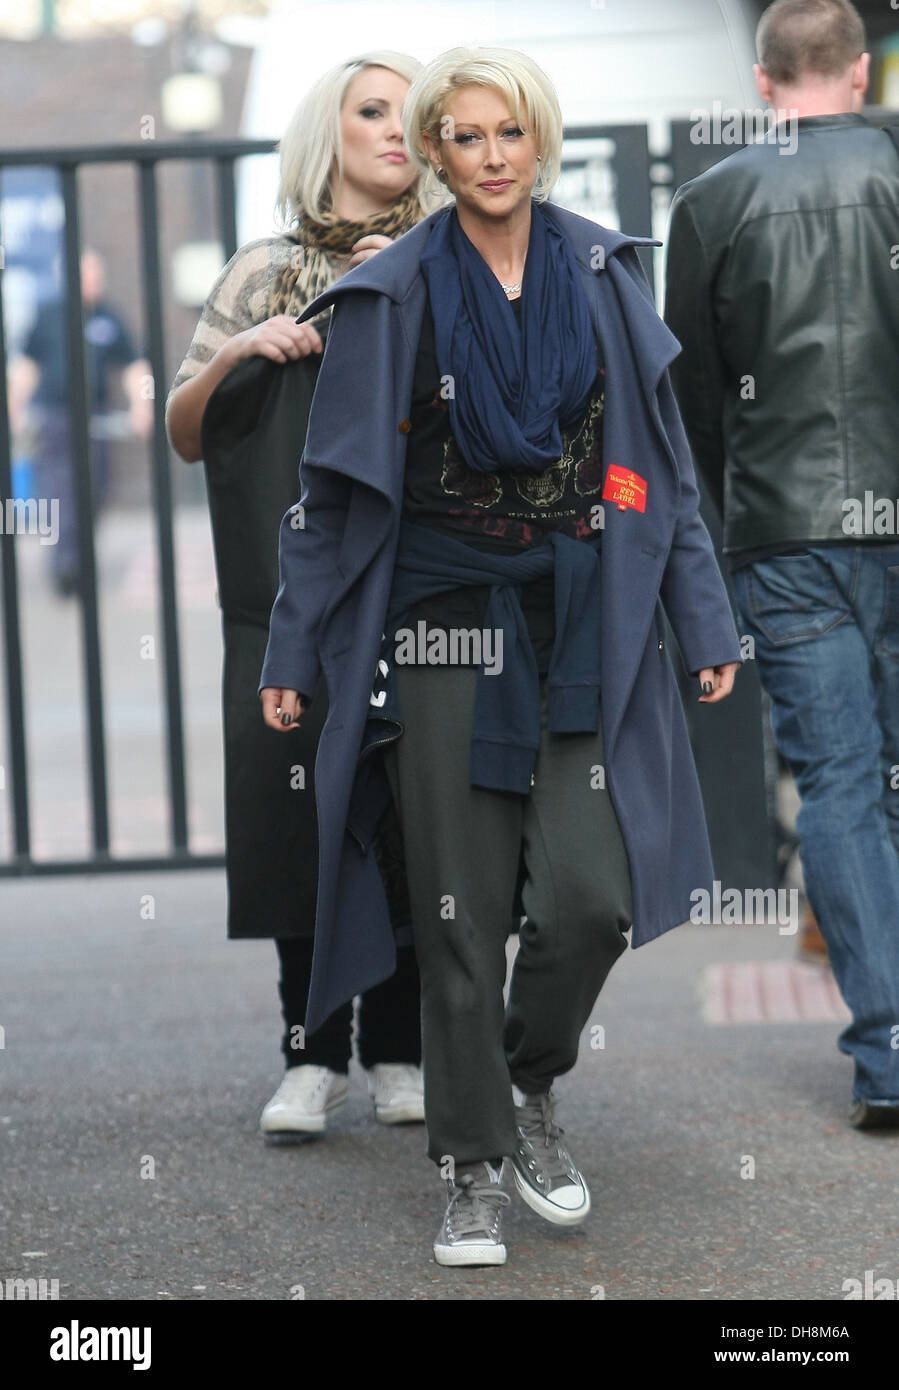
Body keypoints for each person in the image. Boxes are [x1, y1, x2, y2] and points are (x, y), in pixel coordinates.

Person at [259, 44, 742, 1266]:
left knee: (591, 895)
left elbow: (664, 473)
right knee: (459, 909)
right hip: (443, 618)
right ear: (433, 151)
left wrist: (702, 617)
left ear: (541, 140)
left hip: (581, 607)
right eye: (462, 137)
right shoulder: (395, 288)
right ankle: (467, 1168)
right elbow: (328, 491)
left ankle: (525, 1084)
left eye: (507, 134)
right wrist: (295, 646)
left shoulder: (598, 267)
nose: (488, 157)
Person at [166, 53, 432, 1141]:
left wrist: (409, 293)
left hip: (424, 586)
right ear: (329, 131)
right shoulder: (262, 266)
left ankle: (406, 1046)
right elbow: (185, 431)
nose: (395, 133)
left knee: (421, 812)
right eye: (372, 113)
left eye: (416, 117)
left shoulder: (454, 250)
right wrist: (241, 354)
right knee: (294, 811)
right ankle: (309, 1052)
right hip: (289, 599)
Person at [664, 0, 899, 1128]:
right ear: (859, 72)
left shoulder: (711, 203)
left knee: (842, 790)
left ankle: (888, 1050)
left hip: (784, 529)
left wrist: (733, 515)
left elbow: (693, 402)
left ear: (763, 84)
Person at [8, 249, 153, 596]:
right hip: (56, 419)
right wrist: (14, 409)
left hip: (96, 420)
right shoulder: (48, 316)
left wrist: (142, 406)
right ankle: (66, 566)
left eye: (97, 275)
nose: (94, 282)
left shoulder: (107, 316)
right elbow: (27, 367)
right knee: (61, 490)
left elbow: (135, 365)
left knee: (97, 488)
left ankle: (78, 557)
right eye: (87, 275)